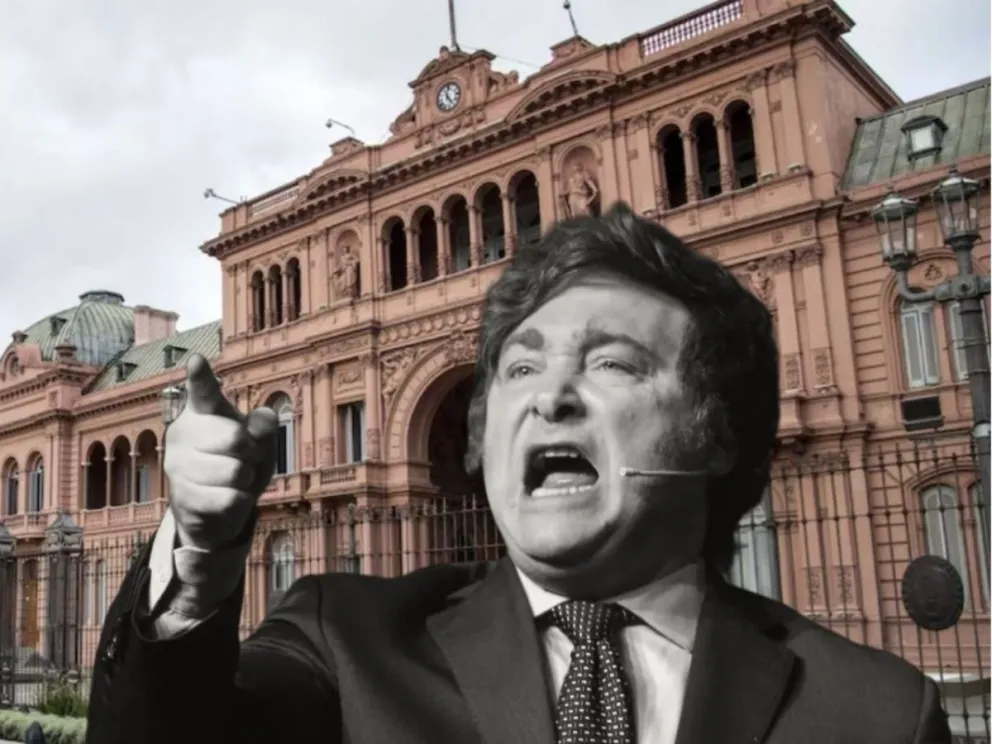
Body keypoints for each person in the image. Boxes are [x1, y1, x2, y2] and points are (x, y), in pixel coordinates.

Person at [85, 202, 950, 744]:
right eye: (522, 368)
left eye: (611, 363)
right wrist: (196, 565)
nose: (549, 398)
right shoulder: (344, 641)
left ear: (717, 429)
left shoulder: (876, 716)